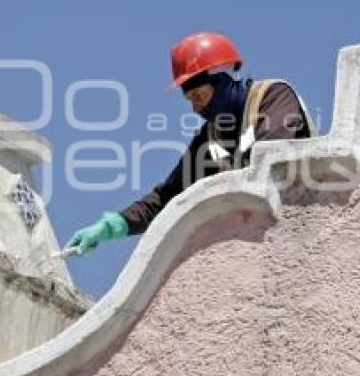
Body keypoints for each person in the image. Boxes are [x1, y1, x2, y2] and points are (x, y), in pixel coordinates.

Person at [65, 31, 316, 256]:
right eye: (190, 99)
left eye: (199, 95)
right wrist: (113, 226)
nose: (196, 108)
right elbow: (167, 197)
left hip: (305, 234)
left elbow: (270, 164)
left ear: (223, 81)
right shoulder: (211, 136)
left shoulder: (273, 96)